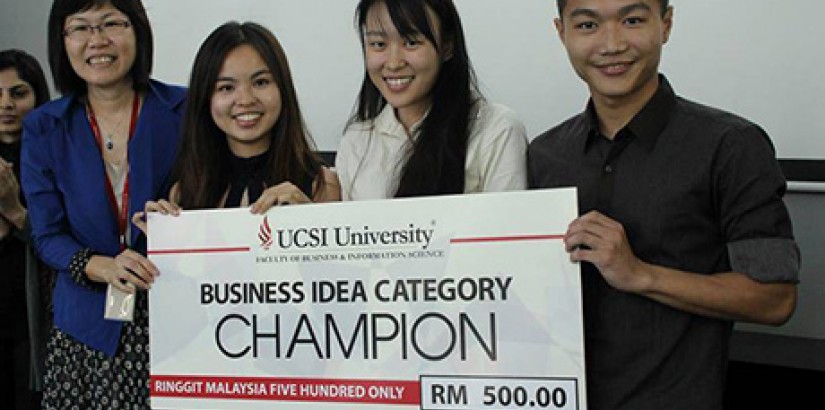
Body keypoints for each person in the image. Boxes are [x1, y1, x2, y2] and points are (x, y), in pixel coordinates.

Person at [528, 1, 799, 409]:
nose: (612, 43)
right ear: (562, 32)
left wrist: (640, 275)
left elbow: (775, 298)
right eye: (587, 24)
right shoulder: (543, 155)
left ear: (666, 24)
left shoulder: (731, 146)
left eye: (632, 20)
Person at [20, 0, 186, 408]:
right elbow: (46, 234)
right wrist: (103, 266)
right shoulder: (44, 126)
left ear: (138, 31)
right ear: (63, 41)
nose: (97, 40)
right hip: (85, 329)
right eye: (80, 27)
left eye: (112, 23)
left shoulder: (183, 109)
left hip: (176, 315)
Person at [131, 21, 338, 224]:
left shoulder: (322, 184)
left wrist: (311, 222)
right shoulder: (184, 192)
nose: (246, 100)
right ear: (205, 98)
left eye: (260, 82)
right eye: (226, 88)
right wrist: (163, 238)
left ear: (283, 89)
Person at [336, 0, 528, 200]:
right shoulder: (356, 141)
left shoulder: (496, 129)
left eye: (411, 42)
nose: (393, 63)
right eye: (379, 44)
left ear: (447, 47)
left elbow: (505, 226)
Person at [0, 48, 51, 410]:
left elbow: (66, 246)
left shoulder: (54, 158)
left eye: (18, 93)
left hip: (33, 325)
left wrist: (15, 212)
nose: (6, 105)